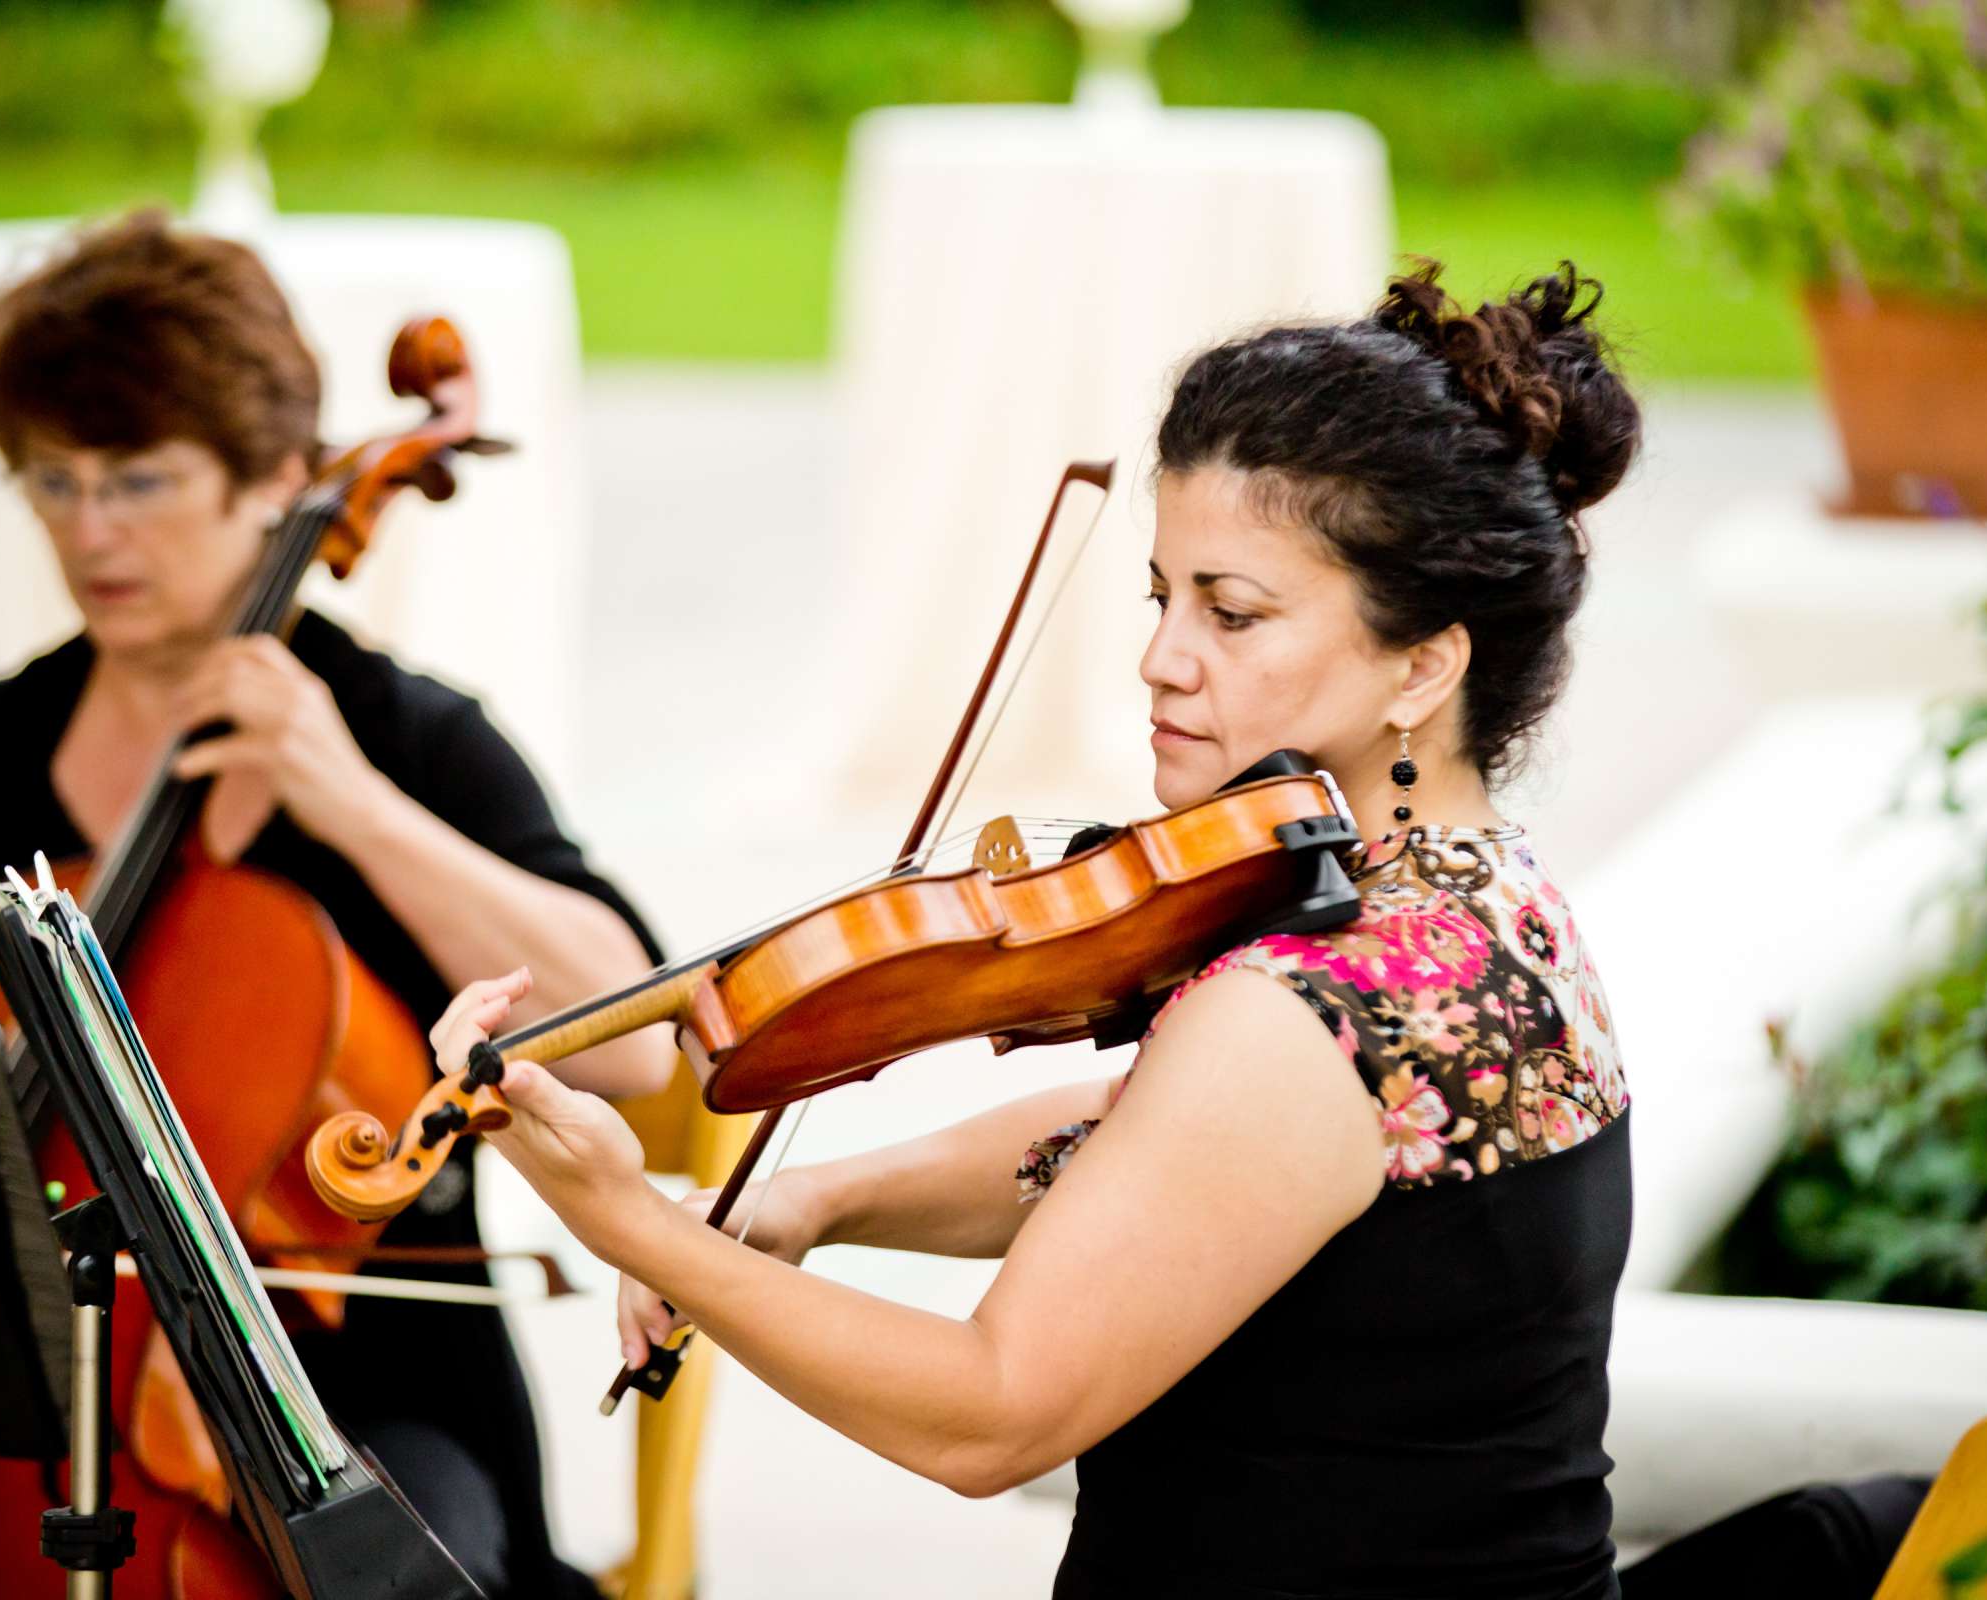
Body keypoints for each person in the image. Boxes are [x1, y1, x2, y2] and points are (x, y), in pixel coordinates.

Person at [432, 260, 1643, 1598]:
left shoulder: (1313, 1008)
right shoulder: (1478, 902)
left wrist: (634, 1226)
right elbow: (1153, 1136)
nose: (1162, 659)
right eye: (1161, 596)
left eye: (1232, 613)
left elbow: (989, 1412)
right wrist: (810, 1199)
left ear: (1424, 664)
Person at [0, 210, 667, 1598]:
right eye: (52, 483)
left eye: (141, 480)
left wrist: (350, 803)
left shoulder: (403, 741)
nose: (90, 531)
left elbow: (634, 1040)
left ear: (280, 480)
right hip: (1, 1416)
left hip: (361, 1402)